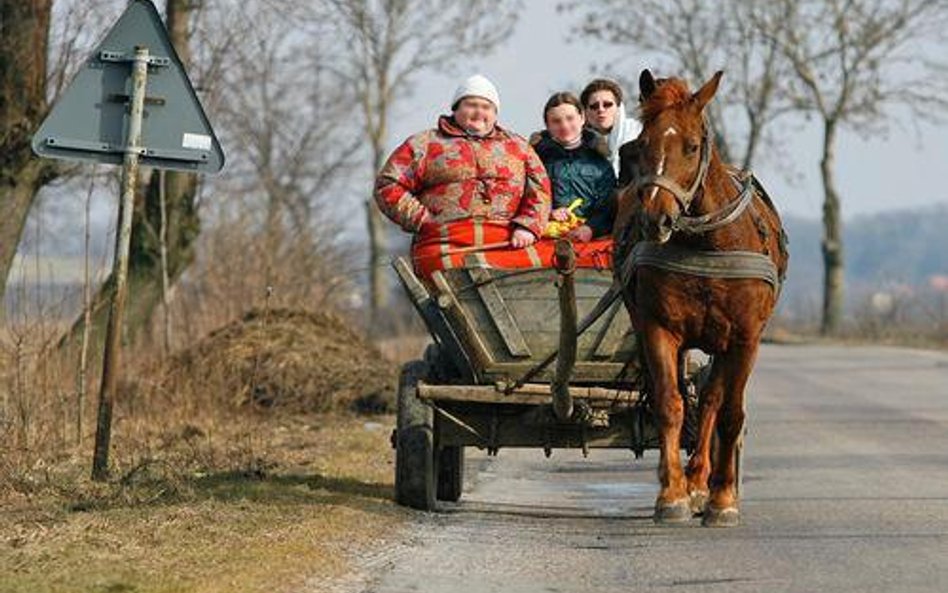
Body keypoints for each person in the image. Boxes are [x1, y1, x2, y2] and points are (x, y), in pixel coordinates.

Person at [374, 74, 551, 256]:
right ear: (456, 108)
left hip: (509, 241)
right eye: (471, 105)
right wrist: (422, 220)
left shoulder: (518, 146)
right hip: (444, 243)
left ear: (495, 113)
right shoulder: (424, 144)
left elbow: (540, 189)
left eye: (486, 107)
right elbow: (387, 185)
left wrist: (528, 226)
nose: (479, 112)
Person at [531, 92, 616, 242]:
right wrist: (549, 213)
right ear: (547, 125)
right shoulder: (535, 160)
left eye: (570, 118)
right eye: (556, 121)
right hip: (547, 236)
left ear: (582, 118)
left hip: (592, 238)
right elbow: (528, 198)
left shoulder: (600, 161)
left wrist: (590, 228)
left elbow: (608, 207)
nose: (564, 126)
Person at [579, 78, 641, 176]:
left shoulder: (639, 132)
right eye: (594, 106)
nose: (601, 110)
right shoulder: (576, 144)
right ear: (585, 112)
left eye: (607, 105)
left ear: (618, 107)